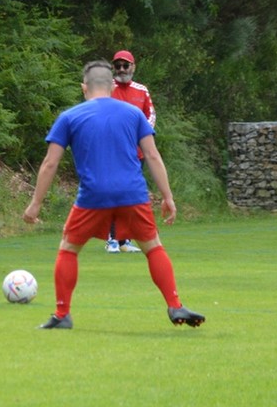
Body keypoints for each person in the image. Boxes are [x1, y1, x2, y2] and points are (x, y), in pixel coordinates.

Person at [22, 60, 204, 329]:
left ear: (84, 88)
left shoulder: (70, 116)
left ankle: (62, 315)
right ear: (111, 86)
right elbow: (152, 155)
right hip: (133, 193)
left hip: (94, 195)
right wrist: (168, 197)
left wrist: (35, 203)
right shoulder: (133, 114)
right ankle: (175, 305)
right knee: (152, 246)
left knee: (69, 249)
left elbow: (50, 163)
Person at [107, 49, 155, 254]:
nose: (121, 69)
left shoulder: (141, 91)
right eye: (117, 66)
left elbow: (150, 115)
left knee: (130, 195)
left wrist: (140, 136)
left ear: (133, 67)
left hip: (136, 153)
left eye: (125, 65)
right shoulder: (106, 88)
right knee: (113, 195)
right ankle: (111, 239)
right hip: (112, 152)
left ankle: (124, 240)